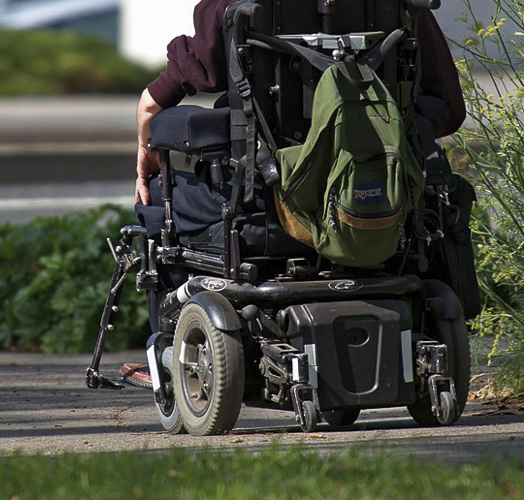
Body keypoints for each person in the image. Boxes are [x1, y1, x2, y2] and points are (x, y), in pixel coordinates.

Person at [122, 0, 465, 386]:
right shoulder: (401, 4)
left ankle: (167, 357)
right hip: (382, 204)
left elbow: (196, 72)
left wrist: (148, 124)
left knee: (157, 195)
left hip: (266, 204)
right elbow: (449, 109)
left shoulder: (234, 4)